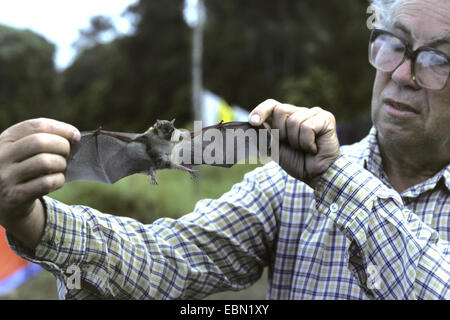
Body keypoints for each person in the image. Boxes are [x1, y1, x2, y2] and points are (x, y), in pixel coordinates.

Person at [0, 0, 448, 299]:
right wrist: (31, 218)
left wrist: (335, 176)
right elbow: (167, 261)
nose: (403, 73)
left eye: (437, 59)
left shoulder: (320, 177)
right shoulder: (287, 186)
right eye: (394, 44)